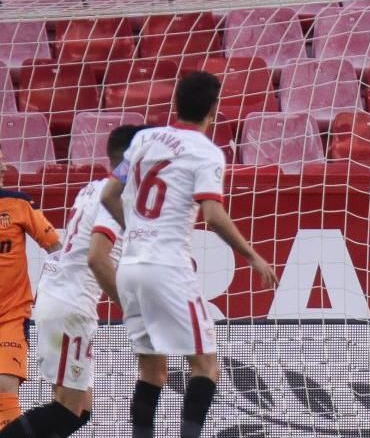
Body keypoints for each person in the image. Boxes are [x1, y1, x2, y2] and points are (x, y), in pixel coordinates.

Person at [101, 72, 278, 438]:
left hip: (130, 267)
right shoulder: (206, 152)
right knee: (205, 365)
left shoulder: (143, 139)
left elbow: (108, 194)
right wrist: (252, 256)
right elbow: (213, 216)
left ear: (175, 103)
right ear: (214, 109)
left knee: (152, 371)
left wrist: (135, 230)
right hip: (167, 267)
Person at [0, 125, 147, 437]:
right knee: (69, 408)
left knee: (78, 410)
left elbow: (66, 248)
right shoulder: (118, 196)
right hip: (70, 306)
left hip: (51, 303)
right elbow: (96, 258)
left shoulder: (91, 189)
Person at [0, 146, 61, 429]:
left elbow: (56, 248)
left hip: (10, 314)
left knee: (4, 385)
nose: (3, 166)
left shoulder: (18, 204)